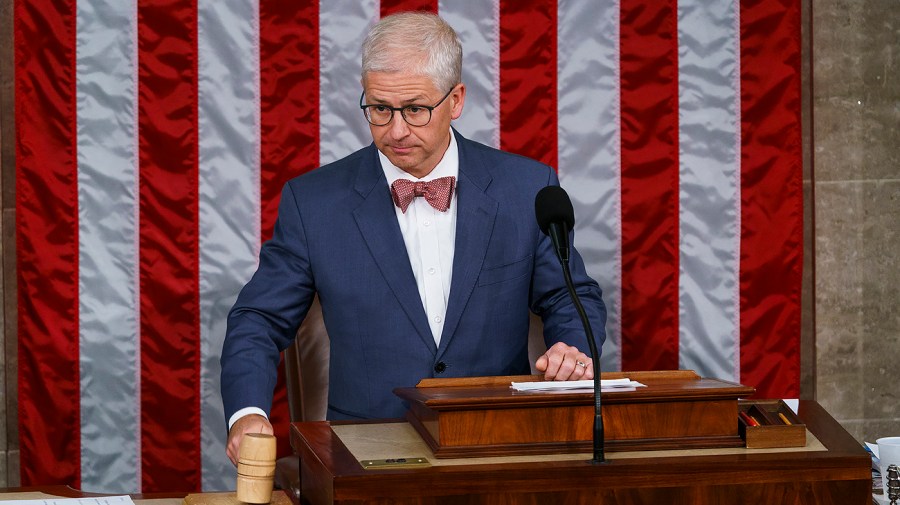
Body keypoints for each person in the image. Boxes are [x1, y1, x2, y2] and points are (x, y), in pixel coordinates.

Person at [220, 11, 607, 465]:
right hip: (364, 455)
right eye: (380, 109)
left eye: (415, 109)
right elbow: (258, 319)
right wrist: (247, 412)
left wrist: (573, 348)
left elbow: (571, 296)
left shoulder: (526, 189)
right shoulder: (314, 203)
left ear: (456, 99)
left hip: (499, 442)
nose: (397, 130)